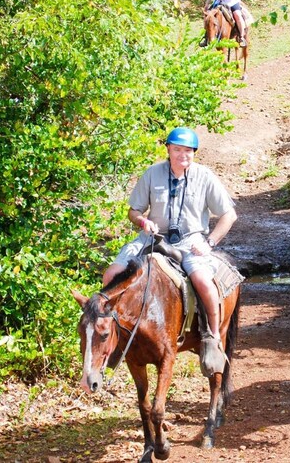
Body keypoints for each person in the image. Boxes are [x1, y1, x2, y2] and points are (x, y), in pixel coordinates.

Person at [102, 127, 238, 374]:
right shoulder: (152, 174)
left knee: (203, 282)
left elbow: (229, 215)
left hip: (190, 241)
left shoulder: (205, 176)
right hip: (152, 237)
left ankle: (212, 339)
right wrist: (143, 221)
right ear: (168, 150)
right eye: (177, 149)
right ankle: (112, 336)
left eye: (188, 151)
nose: (182, 155)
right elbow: (133, 211)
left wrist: (209, 243)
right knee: (111, 275)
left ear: (194, 152)